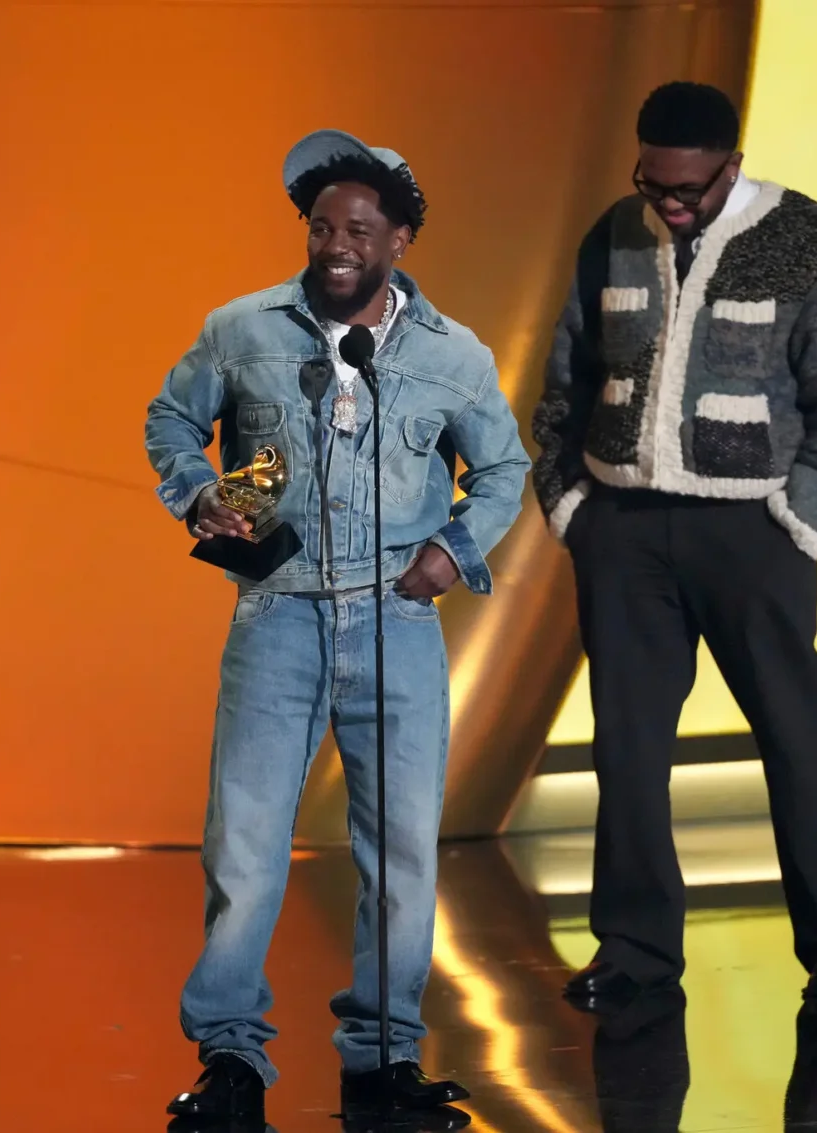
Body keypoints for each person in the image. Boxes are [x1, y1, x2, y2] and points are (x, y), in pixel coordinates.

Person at [145, 128, 530, 1124]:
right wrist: (197, 497)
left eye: (358, 227)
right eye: (321, 226)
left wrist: (451, 550)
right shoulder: (241, 329)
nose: (334, 244)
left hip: (394, 619)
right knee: (244, 845)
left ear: (399, 236)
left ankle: (384, 1058)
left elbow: (502, 468)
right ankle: (229, 1055)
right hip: (276, 614)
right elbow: (169, 420)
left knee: (397, 850)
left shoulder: (454, 356)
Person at [531, 81, 817, 1011]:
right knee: (629, 748)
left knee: (799, 738)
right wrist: (573, 505)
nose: (673, 204)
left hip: (752, 533)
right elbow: (566, 378)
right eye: (657, 185)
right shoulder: (615, 231)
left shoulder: (802, 239)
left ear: (732, 164)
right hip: (624, 533)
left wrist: (799, 523)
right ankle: (636, 953)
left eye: (690, 188)